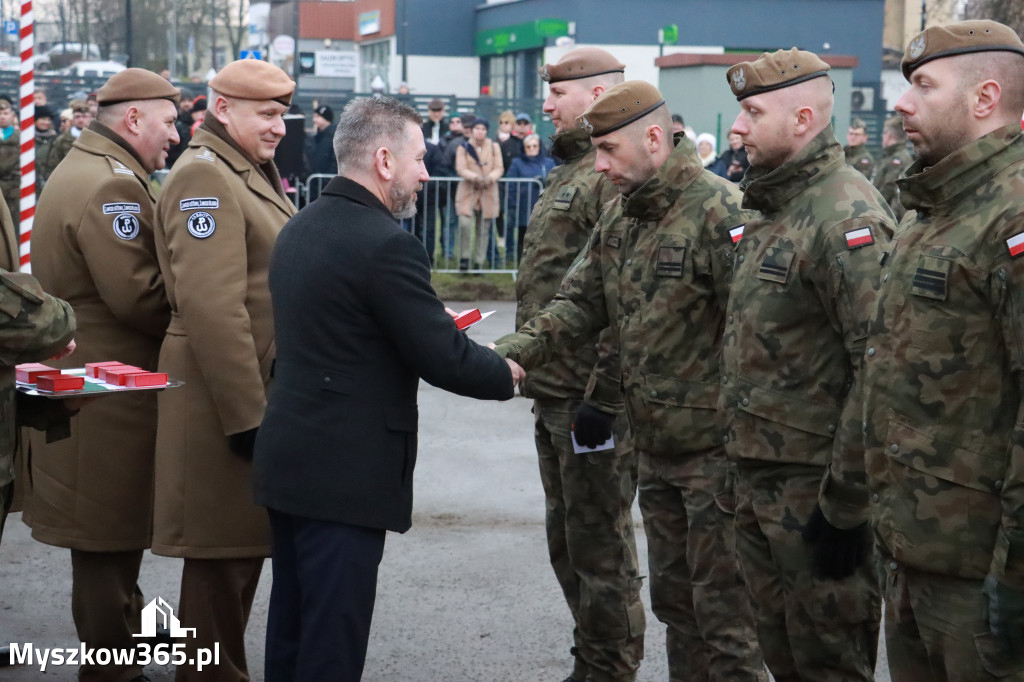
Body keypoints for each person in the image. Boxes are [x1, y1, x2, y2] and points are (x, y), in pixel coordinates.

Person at [497, 80, 765, 681]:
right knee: (677, 607)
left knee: (726, 619)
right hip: (658, 452)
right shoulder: (623, 212)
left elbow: (754, 337)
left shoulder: (721, 209)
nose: (600, 166)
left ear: (653, 138)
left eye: (610, 150)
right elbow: (577, 306)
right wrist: (504, 356)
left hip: (717, 458)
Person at [253, 93, 522, 682]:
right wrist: (508, 372)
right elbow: (443, 357)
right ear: (382, 160)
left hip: (292, 460)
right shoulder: (387, 244)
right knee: (332, 643)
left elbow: (351, 327)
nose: (426, 173)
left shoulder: (300, 227)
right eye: (419, 158)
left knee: (295, 627)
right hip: (345, 473)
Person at [721, 48, 895, 681]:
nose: (736, 127)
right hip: (759, 479)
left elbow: (878, 368)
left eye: (751, 112)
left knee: (829, 665)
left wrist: (846, 504)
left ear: (801, 120)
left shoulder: (845, 214)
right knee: (783, 656)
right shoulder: (772, 206)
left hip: (815, 494)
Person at [864, 20, 1024, 680]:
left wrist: (1014, 577)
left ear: (983, 99)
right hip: (913, 550)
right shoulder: (933, 208)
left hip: (979, 569)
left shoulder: (1012, 212)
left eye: (923, 86)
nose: (901, 103)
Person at [28, 67, 180, 682]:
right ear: (134, 119)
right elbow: (139, 298)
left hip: (90, 381)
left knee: (107, 534)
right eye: (169, 123)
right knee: (105, 538)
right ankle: (113, 668)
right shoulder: (111, 188)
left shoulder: (90, 168)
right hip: (105, 389)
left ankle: (124, 644)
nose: (175, 135)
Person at [152, 58, 297, 682]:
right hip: (226, 400)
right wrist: (248, 417)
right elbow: (214, 305)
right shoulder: (206, 179)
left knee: (237, 553)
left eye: (282, 113)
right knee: (221, 558)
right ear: (221, 107)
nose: (280, 127)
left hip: (247, 391)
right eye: (267, 114)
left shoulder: (241, 170)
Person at [505, 47, 641, 682]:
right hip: (553, 389)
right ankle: (592, 661)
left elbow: (618, 299)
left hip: (589, 401)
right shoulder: (572, 172)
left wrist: (603, 395)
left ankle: (608, 668)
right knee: (569, 542)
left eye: (560, 93)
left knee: (600, 547)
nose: (548, 103)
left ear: (595, 98)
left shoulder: (605, 176)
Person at [454, 117, 502, 270]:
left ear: (487, 131)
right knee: (464, 224)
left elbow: (499, 167)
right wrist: (475, 177)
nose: (480, 131)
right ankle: (465, 258)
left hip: (488, 190)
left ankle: (479, 262)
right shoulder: (463, 146)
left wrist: (490, 178)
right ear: (472, 130)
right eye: (477, 128)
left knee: (484, 229)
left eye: (483, 128)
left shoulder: (494, 147)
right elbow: (460, 168)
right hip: (468, 190)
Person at [504, 133, 554, 264]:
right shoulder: (517, 163)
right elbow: (511, 184)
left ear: (539, 147)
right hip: (524, 207)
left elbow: (556, 180)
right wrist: (513, 203)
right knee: (524, 236)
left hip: (545, 206)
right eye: (528, 146)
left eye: (534, 146)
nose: (532, 149)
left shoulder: (548, 163)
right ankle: (522, 264)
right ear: (524, 148)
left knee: (544, 237)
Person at [871, 114, 913, 222]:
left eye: (883, 134)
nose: (882, 138)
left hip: (886, 217)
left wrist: (871, 208)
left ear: (888, 135)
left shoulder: (896, 159)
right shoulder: (891, 156)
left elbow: (888, 189)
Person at [47, 99, 89, 173]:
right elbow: (54, 164)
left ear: (90, 118)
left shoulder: (97, 138)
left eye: (84, 116)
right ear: (72, 118)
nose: (81, 120)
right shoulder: (62, 140)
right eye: (77, 117)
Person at [0, 99, 18, 224]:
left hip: (13, 188)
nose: (2, 117)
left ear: (12, 115)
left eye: (6, 113)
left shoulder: (22, 138)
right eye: (0, 113)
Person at [34, 104, 58, 193]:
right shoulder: (27, 139)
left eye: (48, 119)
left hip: (47, 182)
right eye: (43, 119)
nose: (46, 122)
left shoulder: (55, 139)